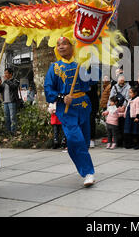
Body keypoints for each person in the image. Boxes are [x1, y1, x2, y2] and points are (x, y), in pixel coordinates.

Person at [44, 36, 97, 187]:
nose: (61, 47)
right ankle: (88, 172)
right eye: (58, 44)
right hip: (66, 110)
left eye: (64, 44)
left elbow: (92, 81)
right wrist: (61, 97)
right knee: (75, 139)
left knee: (84, 141)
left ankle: (82, 163)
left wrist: (92, 61)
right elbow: (48, 89)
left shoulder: (81, 63)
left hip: (84, 106)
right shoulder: (54, 67)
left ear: (72, 46)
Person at [109, 75, 131, 147]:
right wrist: (111, 108)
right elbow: (111, 98)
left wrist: (124, 106)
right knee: (116, 125)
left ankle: (124, 141)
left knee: (123, 125)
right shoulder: (114, 87)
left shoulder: (128, 87)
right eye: (120, 81)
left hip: (124, 108)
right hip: (115, 109)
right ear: (118, 80)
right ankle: (118, 141)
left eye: (123, 81)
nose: (122, 82)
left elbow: (128, 98)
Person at [0, 68, 20, 134]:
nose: (5, 75)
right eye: (4, 73)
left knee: (12, 117)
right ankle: (8, 131)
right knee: (6, 117)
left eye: (6, 73)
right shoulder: (4, 82)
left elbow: (14, 87)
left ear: (10, 74)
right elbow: (0, 90)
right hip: (5, 102)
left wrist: (7, 81)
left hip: (12, 101)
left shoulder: (15, 81)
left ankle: (13, 131)